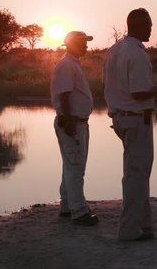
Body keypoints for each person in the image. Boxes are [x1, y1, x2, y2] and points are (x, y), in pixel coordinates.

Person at [103, 8, 157, 241]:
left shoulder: (113, 50)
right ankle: (129, 231)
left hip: (121, 119)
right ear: (137, 26)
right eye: (148, 24)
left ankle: (144, 225)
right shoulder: (137, 54)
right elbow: (139, 92)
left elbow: (113, 88)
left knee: (137, 173)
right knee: (136, 175)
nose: (151, 28)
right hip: (137, 120)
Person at [50, 31, 99, 226]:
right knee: (76, 167)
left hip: (77, 122)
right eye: (82, 42)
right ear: (71, 44)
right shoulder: (66, 65)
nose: (86, 46)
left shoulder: (71, 64)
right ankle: (78, 212)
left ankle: (67, 206)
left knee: (70, 165)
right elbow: (64, 95)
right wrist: (69, 121)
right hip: (72, 123)